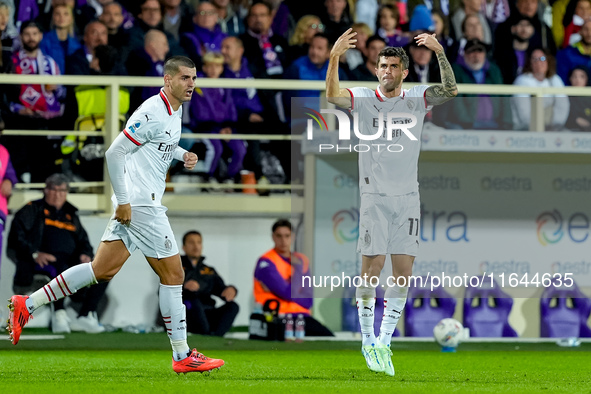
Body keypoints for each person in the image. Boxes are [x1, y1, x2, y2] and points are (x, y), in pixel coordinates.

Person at [7, 56, 225, 374]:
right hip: (141, 205)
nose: (191, 84)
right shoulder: (152, 110)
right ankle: (182, 355)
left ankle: (28, 304)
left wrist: (183, 154)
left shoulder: (174, 110)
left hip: (137, 203)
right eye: (185, 78)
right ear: (167, 80)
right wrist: (123, 201)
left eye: (193, 78)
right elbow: (115, 151)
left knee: (101, 270)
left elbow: (159, 144)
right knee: (175, 276)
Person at [325, 29, 457, 375]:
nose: (386, 71)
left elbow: (451, 90)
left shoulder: (416, 99)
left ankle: (385, 341)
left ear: (404, 72)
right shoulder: (364, 98)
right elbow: (332, 95)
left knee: (403, 273)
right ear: (376, 70)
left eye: (393, 66)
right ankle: (367, 339)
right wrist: (334, 57)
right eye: (382, 65)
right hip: (374, 198)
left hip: (408, 198)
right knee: (371, 269)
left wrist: (440, 51)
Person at [7, 173, 108, 334]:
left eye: (62, 190)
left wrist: (85, 254)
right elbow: (16, 237)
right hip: (41, 261)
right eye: (54, 189)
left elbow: (84, 241)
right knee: (60, 267)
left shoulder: (70, 214)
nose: (58, 194)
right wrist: (35, 253)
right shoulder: (32, 209)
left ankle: (86, 314)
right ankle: (59, 313)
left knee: (102, 270)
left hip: (69, 260)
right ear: (46, 190)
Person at [254, 219, 334, 336]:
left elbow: (308, 300)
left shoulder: (302, 260)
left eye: (287, 236)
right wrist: (297, 272)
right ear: (273, 237)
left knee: (328, 337)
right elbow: (287, 293)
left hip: (302, 316)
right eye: (279, 236)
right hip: (276, 316)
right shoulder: (266, 262)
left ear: (293, 237)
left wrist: (290, 288)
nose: (283, 240)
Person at [181, 231, 239, 336]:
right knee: (193, 300)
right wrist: (184, 287)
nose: (196, 246)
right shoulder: (176, 268)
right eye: (191, 242)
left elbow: (221, 289)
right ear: (184, 247)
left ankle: (216, 337)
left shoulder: (209, 270)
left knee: (233, 306)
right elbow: (162, 291)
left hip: (207, 313)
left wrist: (231, 290)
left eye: (199, 242)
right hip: (187, 314)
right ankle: (206, 334)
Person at [512, 48, 569, 131]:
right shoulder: (522, 81)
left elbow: (562, 106)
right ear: (530, 62)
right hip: (526, 130)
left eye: (542, 58)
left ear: (548, 61)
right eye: (534, 59)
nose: (538, 62)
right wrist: (538, 129)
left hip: (553, 128)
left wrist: (555, 127)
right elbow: (523, 112)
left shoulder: (555, 79)